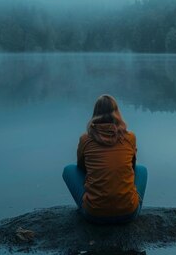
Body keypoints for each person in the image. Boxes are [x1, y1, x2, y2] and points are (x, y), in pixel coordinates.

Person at [62, 94, 147, 224]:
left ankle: (91, 204)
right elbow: (132, 166)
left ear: (95, 114)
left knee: (69, 170)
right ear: (117, 113)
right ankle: (129, 202)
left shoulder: (86, 139)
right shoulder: (129, 137)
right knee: (141, 170)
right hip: (129, 214)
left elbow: (81, 167)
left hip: (94, 215)